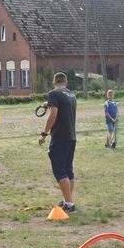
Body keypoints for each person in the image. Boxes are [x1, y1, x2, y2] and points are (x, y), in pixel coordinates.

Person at [39, 72, 77, 213]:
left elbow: (54, 114)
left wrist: (44, 134)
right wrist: (48, 104)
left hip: (59, 137)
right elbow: (62, 109)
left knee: (59, 170)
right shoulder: (71, 95)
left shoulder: (54, 93)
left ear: (54, 82)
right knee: (68, 170)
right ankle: (68, 200)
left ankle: (68, 204)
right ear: (65, 82)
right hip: (71, 136)